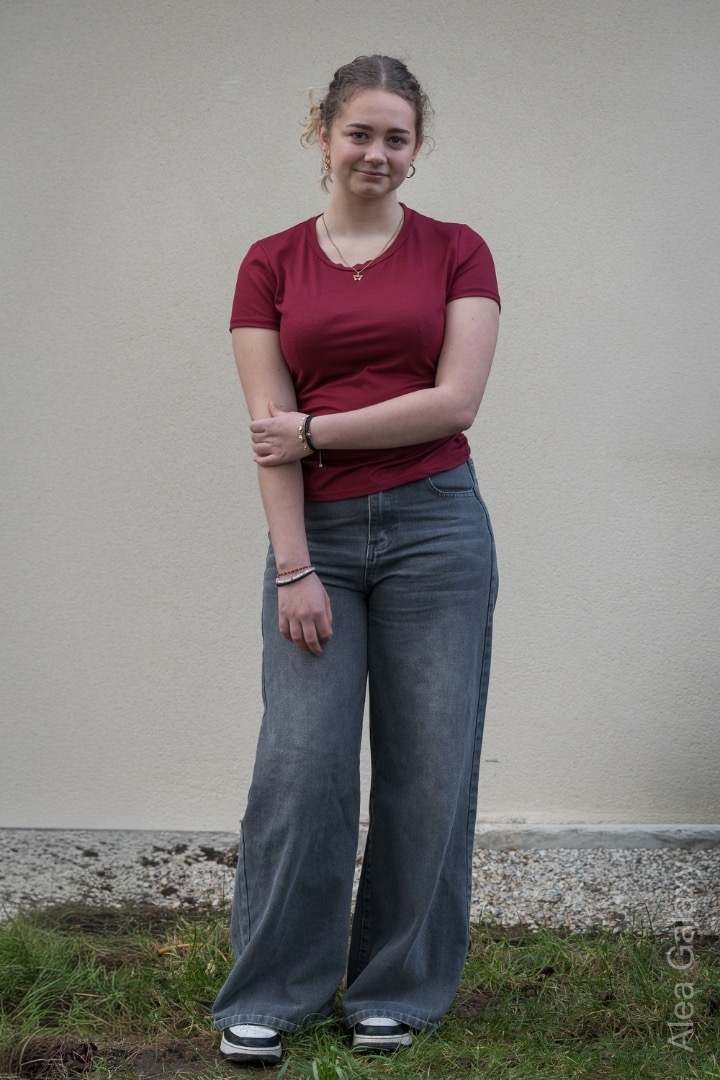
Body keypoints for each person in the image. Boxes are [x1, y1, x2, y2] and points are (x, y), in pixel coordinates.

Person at [212, 54, 500, 1066]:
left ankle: (397, 990)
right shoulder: (270, 264)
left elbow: (454, 403)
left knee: (430, 767)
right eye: (360, 133)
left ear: (417, 151)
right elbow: (267, 430)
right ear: (323, 135)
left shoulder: (459, 251)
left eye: (396, 138)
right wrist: (292, 567)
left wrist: (318, 432)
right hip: (318, 540)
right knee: (302, 765)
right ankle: (271, 992)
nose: (377, 153)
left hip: (437, 530)